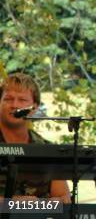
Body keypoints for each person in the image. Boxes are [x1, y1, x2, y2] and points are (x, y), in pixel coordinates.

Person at [0, 73, 71, 202]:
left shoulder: (47, 149)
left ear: (34, 108)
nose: (15, 105)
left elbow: (64, 199)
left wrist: (41, 205)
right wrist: (15, 203)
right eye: (8, 99)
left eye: (22, 100)